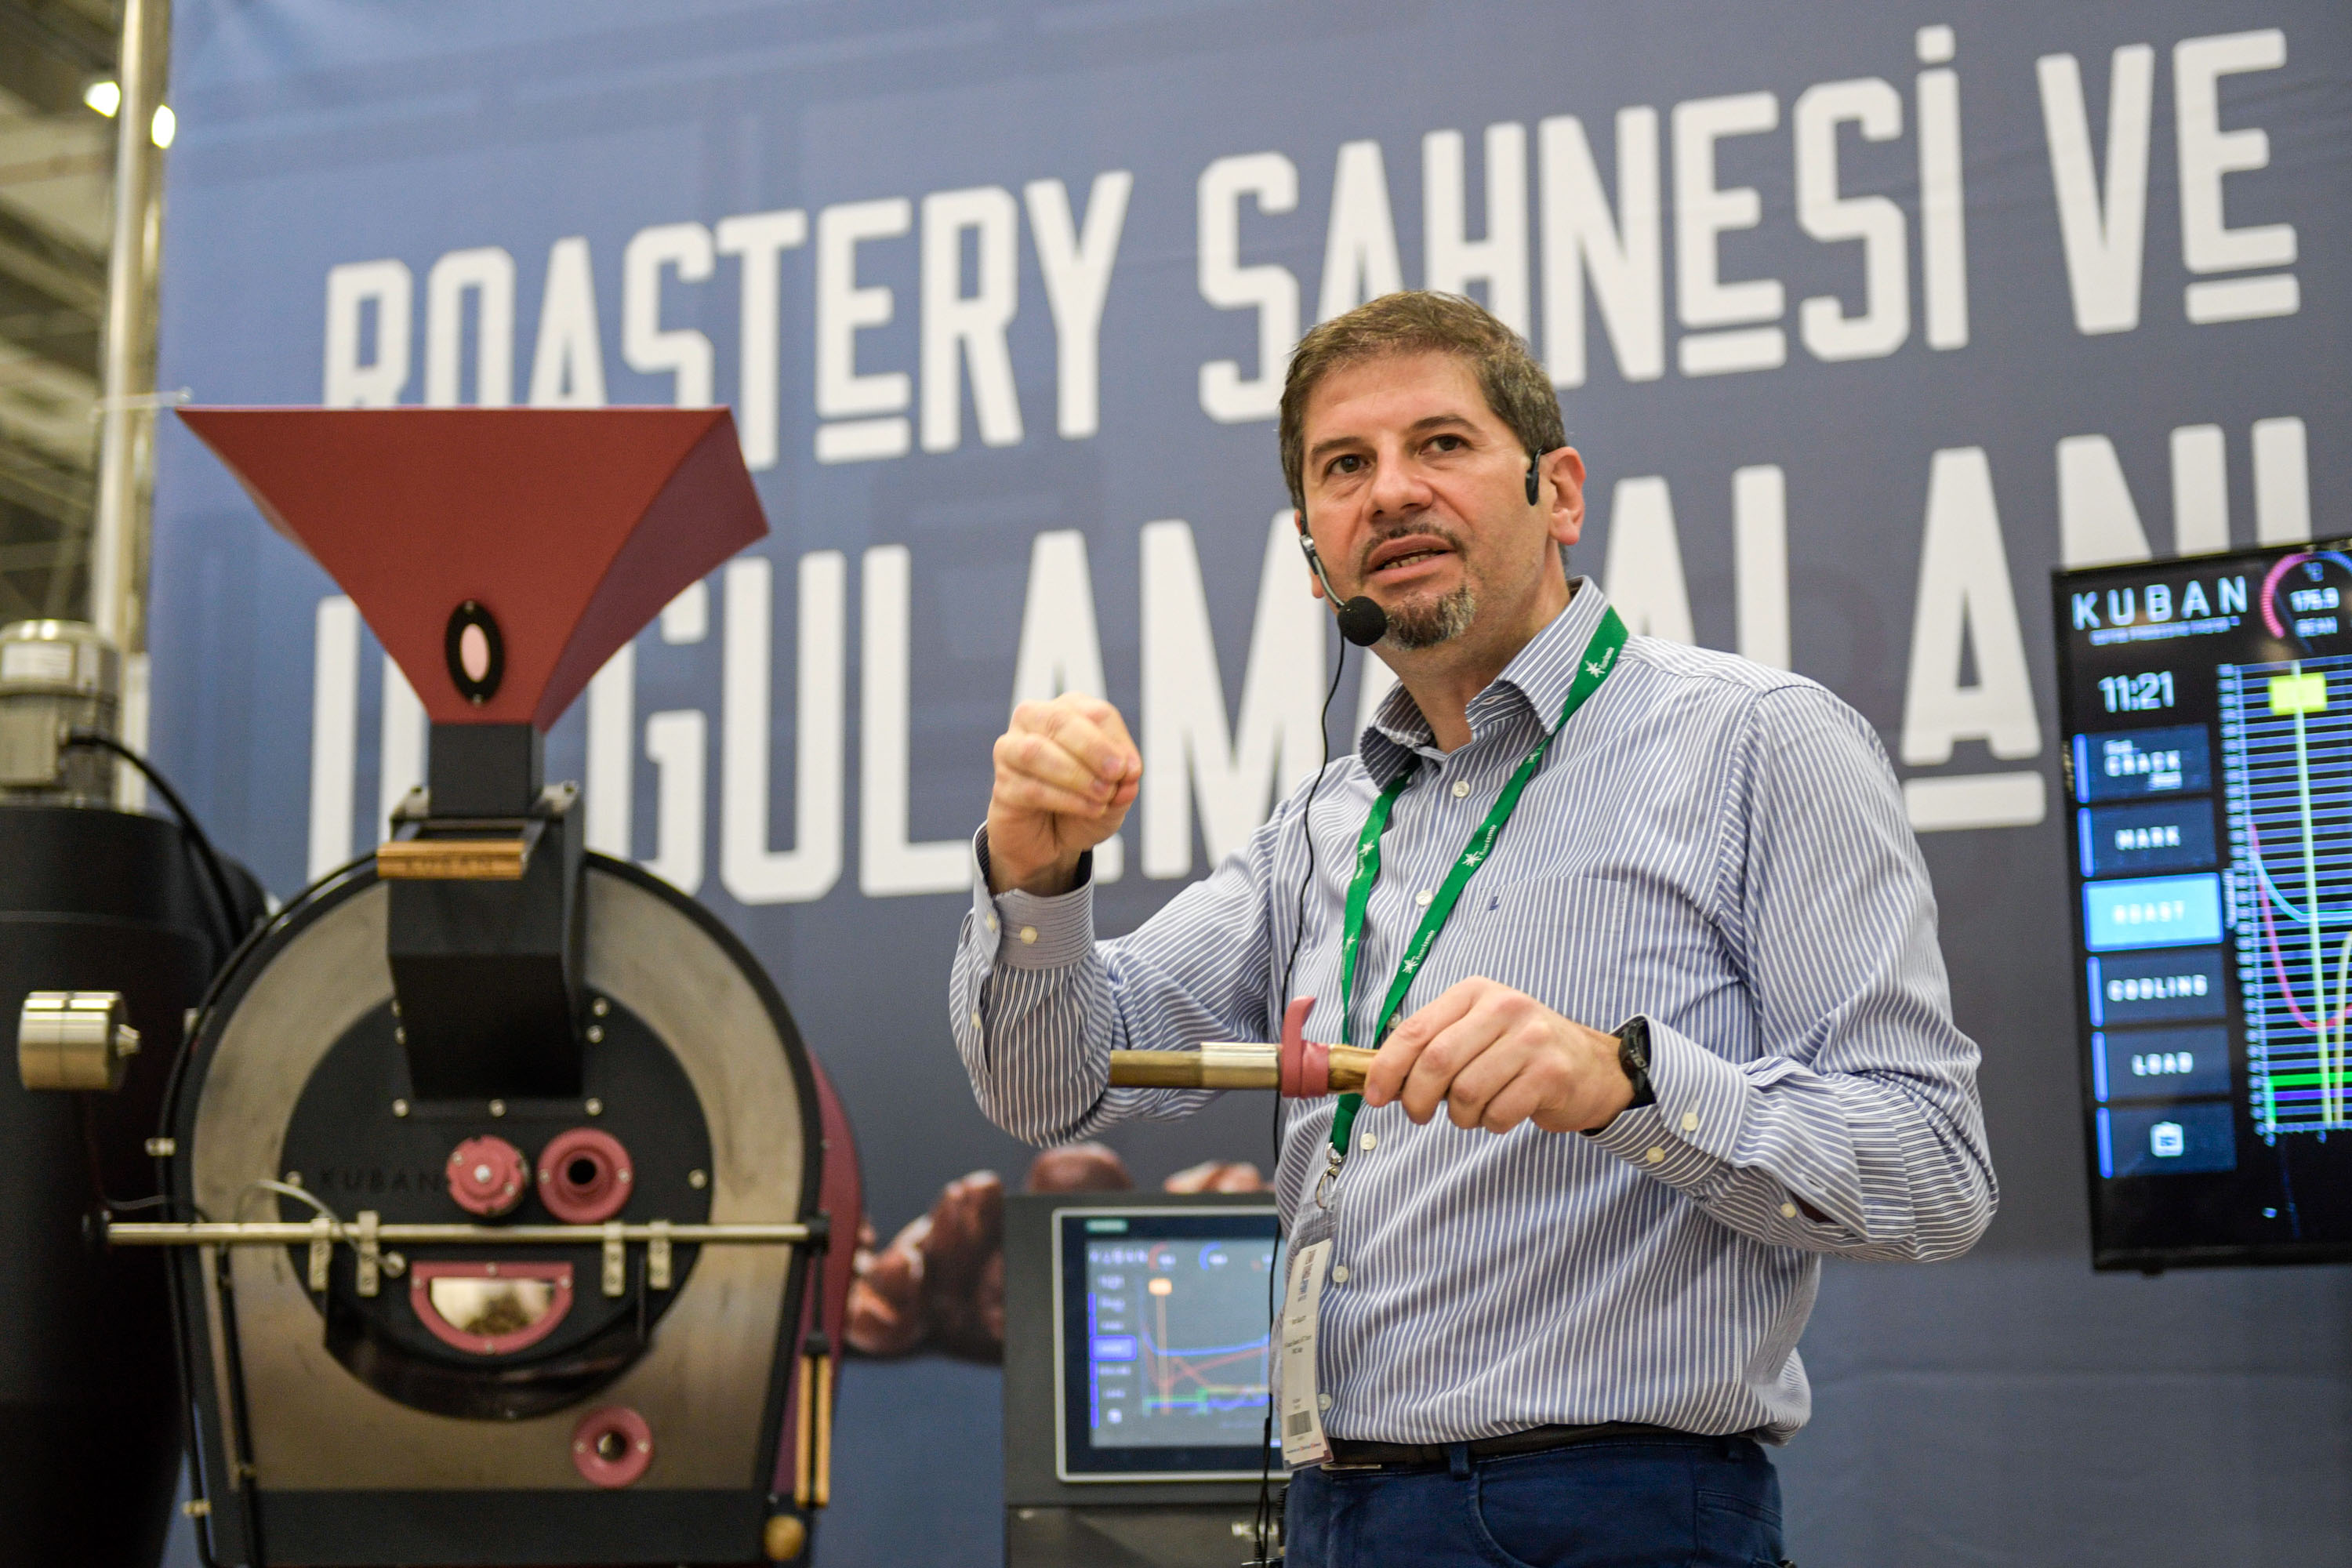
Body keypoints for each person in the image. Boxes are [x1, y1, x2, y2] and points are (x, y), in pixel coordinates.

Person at [948, 291, 1994, 1566]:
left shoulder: (1759, 743)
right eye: (1345, 467)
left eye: (1440, 444)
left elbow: (1935, 1171)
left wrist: (1628, 1084)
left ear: (1561, 493)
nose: (1391, 491)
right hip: (1335, 1515)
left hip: (1612, 1515)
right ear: (1315, 553)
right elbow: (1046, 1085)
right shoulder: (1324, 825)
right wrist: (1037, 879)